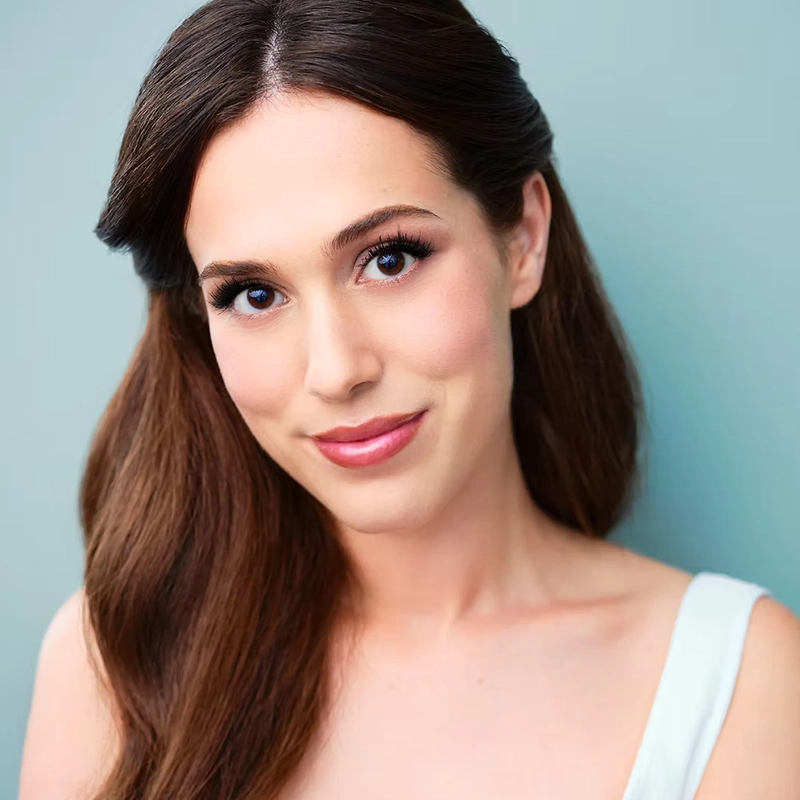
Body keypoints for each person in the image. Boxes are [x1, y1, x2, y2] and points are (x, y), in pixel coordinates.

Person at [19, 0, 800, 798]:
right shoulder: (113, 666)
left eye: (389, 259)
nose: (335, 369)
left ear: (523, 237)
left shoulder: (734, 681)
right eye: (254, 295)